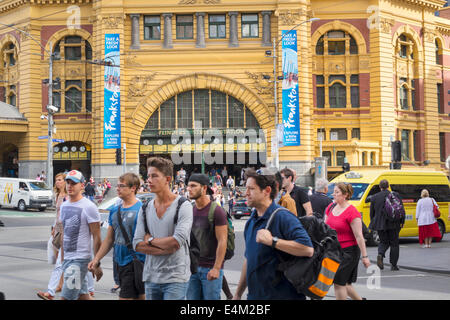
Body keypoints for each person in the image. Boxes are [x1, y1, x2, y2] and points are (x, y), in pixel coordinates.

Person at [233, 169, 313, 300]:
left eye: (251, 189)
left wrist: (273, 241)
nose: (246, 193)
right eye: (246, 188)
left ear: (267, 191)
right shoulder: (251, 221)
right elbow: (249, 260)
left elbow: (308, 249)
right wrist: (237, 294)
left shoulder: (283, 217)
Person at [133, 157, 193, 300]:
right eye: (148, 176)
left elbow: (176, 243)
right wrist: (165, 247)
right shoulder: (145, 208)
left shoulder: (183, 205)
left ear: (167, 179)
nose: (149, 180)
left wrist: (150, 240)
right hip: (151, 277)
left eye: (154, 176)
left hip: (175, 277)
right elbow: (137, 244)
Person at [88, 173, 146, 300]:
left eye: (122, 186)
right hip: (119, 262)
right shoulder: (115, 211)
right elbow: (109, 239)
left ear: (133, 188)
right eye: (117, 185)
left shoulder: (142, 209)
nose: (118, 188)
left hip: (135, 262)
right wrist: (96, 259)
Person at [59, 170, 103, 300]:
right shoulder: (64, 205)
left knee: (65, 298)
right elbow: (63, 233)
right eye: (68, 183)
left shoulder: (89, 207)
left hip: (79, 260)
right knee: (83, 296)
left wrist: (97, 263)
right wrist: (62, 258)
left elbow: (97, 237)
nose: (70, 186)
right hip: (68, 258)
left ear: (82, 186)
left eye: (74, 183)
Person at [325, 182, 370, 300]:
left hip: (349, 252)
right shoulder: (330, 207)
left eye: (336, 192)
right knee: (345, 284)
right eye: (333, 192)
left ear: (345, 195)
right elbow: (325, 228)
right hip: (334, 251)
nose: (333, 194)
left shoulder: (352, 212)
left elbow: (359, 236)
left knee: (339, 282)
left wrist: (365, 256)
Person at [186, 173, 228, 300]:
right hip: (192, 268)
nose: (189, 189)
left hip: (210, 268)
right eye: (188, 186)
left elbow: (222, 241)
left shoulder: (217, 211)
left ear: (204, 188)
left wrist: (216, 268)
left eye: (193, 186)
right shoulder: (190, 209)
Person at [37, 172, 67, 300]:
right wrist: (54, 227)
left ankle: (51, 291)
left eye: (60, 180)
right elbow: (57, 213)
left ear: (65, 181)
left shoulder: (68, 196)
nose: (57, 182)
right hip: (58, 230)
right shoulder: (58, 195)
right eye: (56, 180)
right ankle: (61, 285)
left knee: (60, 262)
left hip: (66, 231)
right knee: (60, 259)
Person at [369, 179, 404, 271]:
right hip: (394, 223)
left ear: (380, 187)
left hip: (380, 224)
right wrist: (402, 222)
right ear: (388, 186)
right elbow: (401, 209)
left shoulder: (374, 197)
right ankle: (394, 265)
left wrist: (374, 222)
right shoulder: (395, 195)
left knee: (383, 242)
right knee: (394, 244)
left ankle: (380, 254)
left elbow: (372, 213)